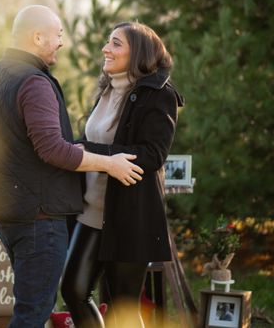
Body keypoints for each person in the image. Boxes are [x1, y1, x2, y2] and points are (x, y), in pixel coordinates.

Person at [0, 6, 144, 328]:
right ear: (37, 37)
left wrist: (78, 149)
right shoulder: (33, 83)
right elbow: (52, 150)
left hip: (7, 211)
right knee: (33, 312)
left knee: (31, 304)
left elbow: (4, 146)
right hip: (38, 218)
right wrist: (109, 163)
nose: (62, 43)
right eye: (59, 35)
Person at [61, 21, 184, 327]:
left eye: (116, 43)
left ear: (137, 53)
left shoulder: (159, 95)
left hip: (130, 217)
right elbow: (95, 144)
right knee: (74, 291)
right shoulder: (106, 89)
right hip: (91, 213)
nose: (106, 48)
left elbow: (152, 155)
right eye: (108, 42)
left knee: (124, 310)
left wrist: (89, 152)